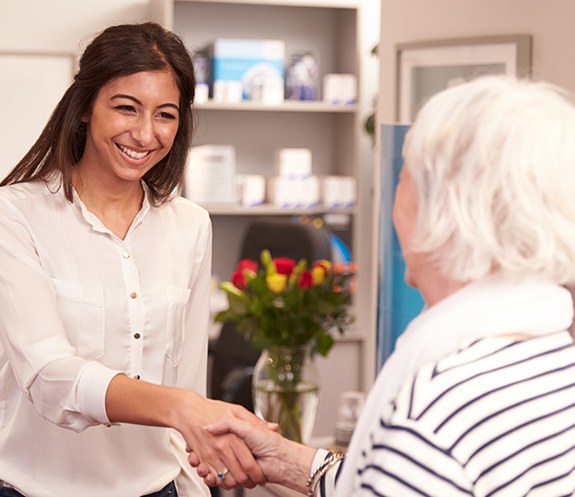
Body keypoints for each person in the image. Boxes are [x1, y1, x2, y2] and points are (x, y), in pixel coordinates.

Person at [190, 75, 575, 496]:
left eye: (404, 178)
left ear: (444, 209)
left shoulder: (430, 415)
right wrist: (286, 458)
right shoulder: (551, 353)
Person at [0, 22, 270, 497]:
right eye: (127, 108)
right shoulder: (15, 214)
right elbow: (48, 375)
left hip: (158, 488)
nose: (145, 134)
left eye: (165, 114)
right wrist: (179, 406)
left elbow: (187, 379)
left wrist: (193, 471)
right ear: (85, 108)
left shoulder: (190, 225)